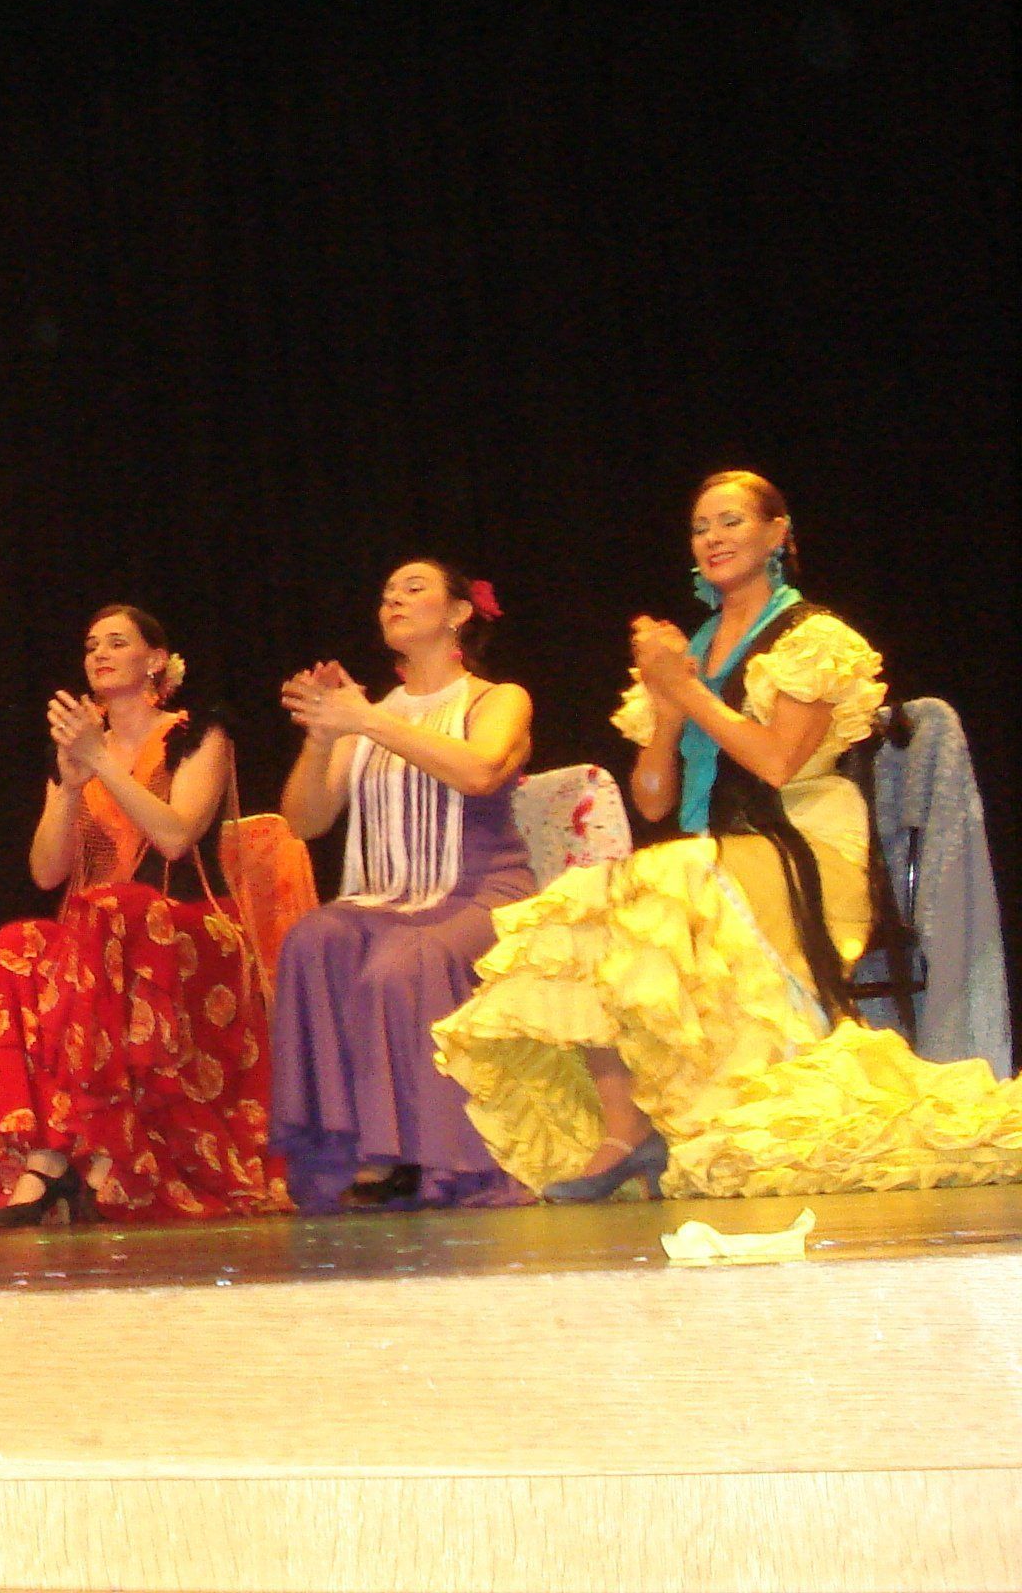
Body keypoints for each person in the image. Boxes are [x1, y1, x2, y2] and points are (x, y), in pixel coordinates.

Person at [434, 471, 1022, 1199]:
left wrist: (686, 689)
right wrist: (666, 706)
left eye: (731, 521)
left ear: (777, 533)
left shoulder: (812, 637)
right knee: (585, 908)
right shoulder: (696, 648)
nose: (712, 537)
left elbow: (777, 764)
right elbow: (653, 800)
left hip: (804, 843)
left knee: (651, 889)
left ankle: (700, 1111)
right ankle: (627, 1127)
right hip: (714, 853)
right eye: (700, 527)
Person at [0, 606, 282, 1223]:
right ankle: (51, 1154)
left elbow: (176, 837)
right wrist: (71, 783)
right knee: (18, 941)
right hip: (99, 936)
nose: (99, 654)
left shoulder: (197, 733)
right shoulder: (77, 749)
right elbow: (45, 873)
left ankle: (90, 1159)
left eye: (116, 642)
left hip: (184, 927)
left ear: (155, 660)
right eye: (91, 646)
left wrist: (102, 761)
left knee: (117, 908)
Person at [266, 562, 536, 1212]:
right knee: (314, 939)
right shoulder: (372, 716)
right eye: (387, 593)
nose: (394, 599)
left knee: (403, 964)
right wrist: (324, 738)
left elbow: (479, 772)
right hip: (396, 898)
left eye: (414, 589)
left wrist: (364, 719)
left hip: (481, 889)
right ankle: (344, 1150)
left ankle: (423, 1155)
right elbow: (304, 821)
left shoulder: (497, 699)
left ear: (459, 612)